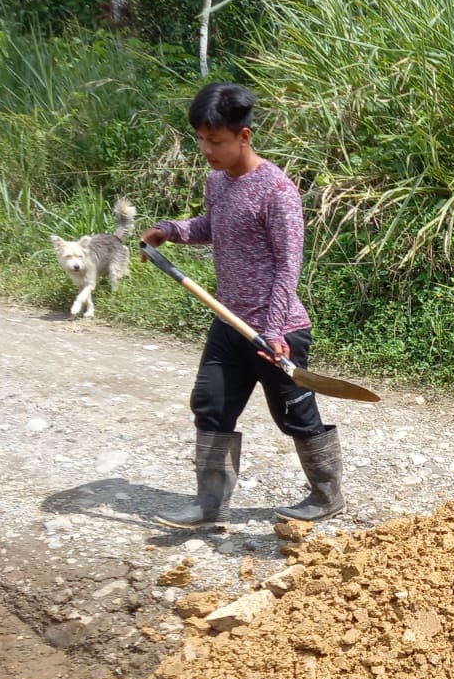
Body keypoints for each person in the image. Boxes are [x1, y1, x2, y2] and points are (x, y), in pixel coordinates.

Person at [141, 82, 344, 528]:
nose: (206, 150)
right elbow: (212, 225)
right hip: (229, 322)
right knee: (210, 404)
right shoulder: (217, 182)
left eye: (215, 141)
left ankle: (327, 494)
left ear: (244, 136)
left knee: (295, 414)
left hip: (278, 330)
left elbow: (289, 266)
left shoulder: (277, 191)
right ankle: (210, 504)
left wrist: (273, 331)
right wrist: (170, 230)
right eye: (201, 139)